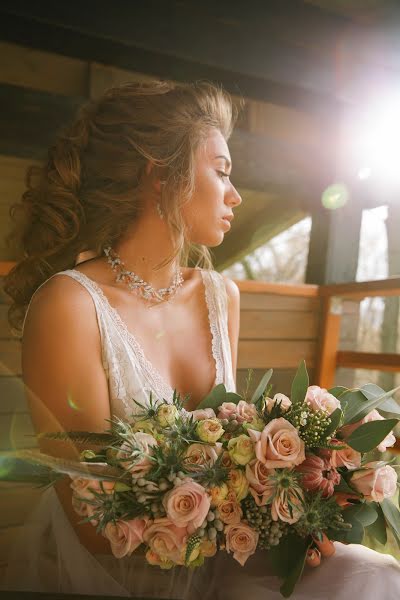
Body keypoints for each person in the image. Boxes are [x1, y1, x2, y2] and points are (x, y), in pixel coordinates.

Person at [2, 79, 400, 599]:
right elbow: (91, 514)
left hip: (226, 554)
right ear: (160, 174)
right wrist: (265, 516)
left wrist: (302, 501)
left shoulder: (220, 295)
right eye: (222, 170)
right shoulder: (68, 305)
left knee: (376, 578)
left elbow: (230, 440)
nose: (235, 194)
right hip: (114, 572)